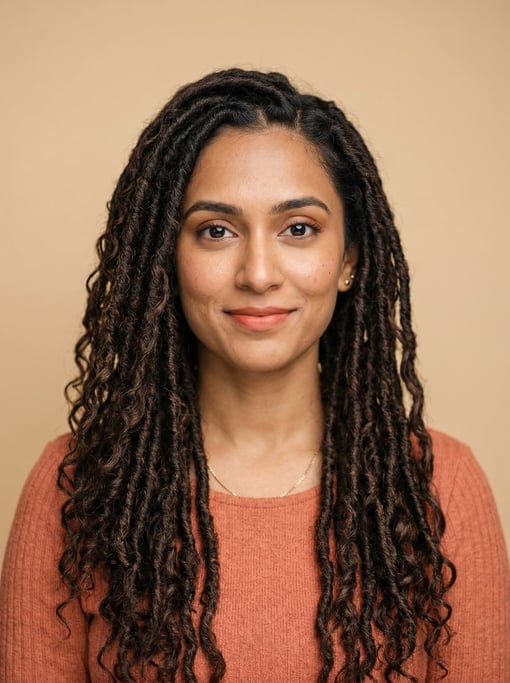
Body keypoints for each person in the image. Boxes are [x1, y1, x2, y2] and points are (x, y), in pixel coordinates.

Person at [0, 68, 508, 683]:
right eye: (217, 231)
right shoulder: (75, 490)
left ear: (348, 260)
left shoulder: (440, 487)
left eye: (299, 228)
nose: (259, 273)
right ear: (169, 258)